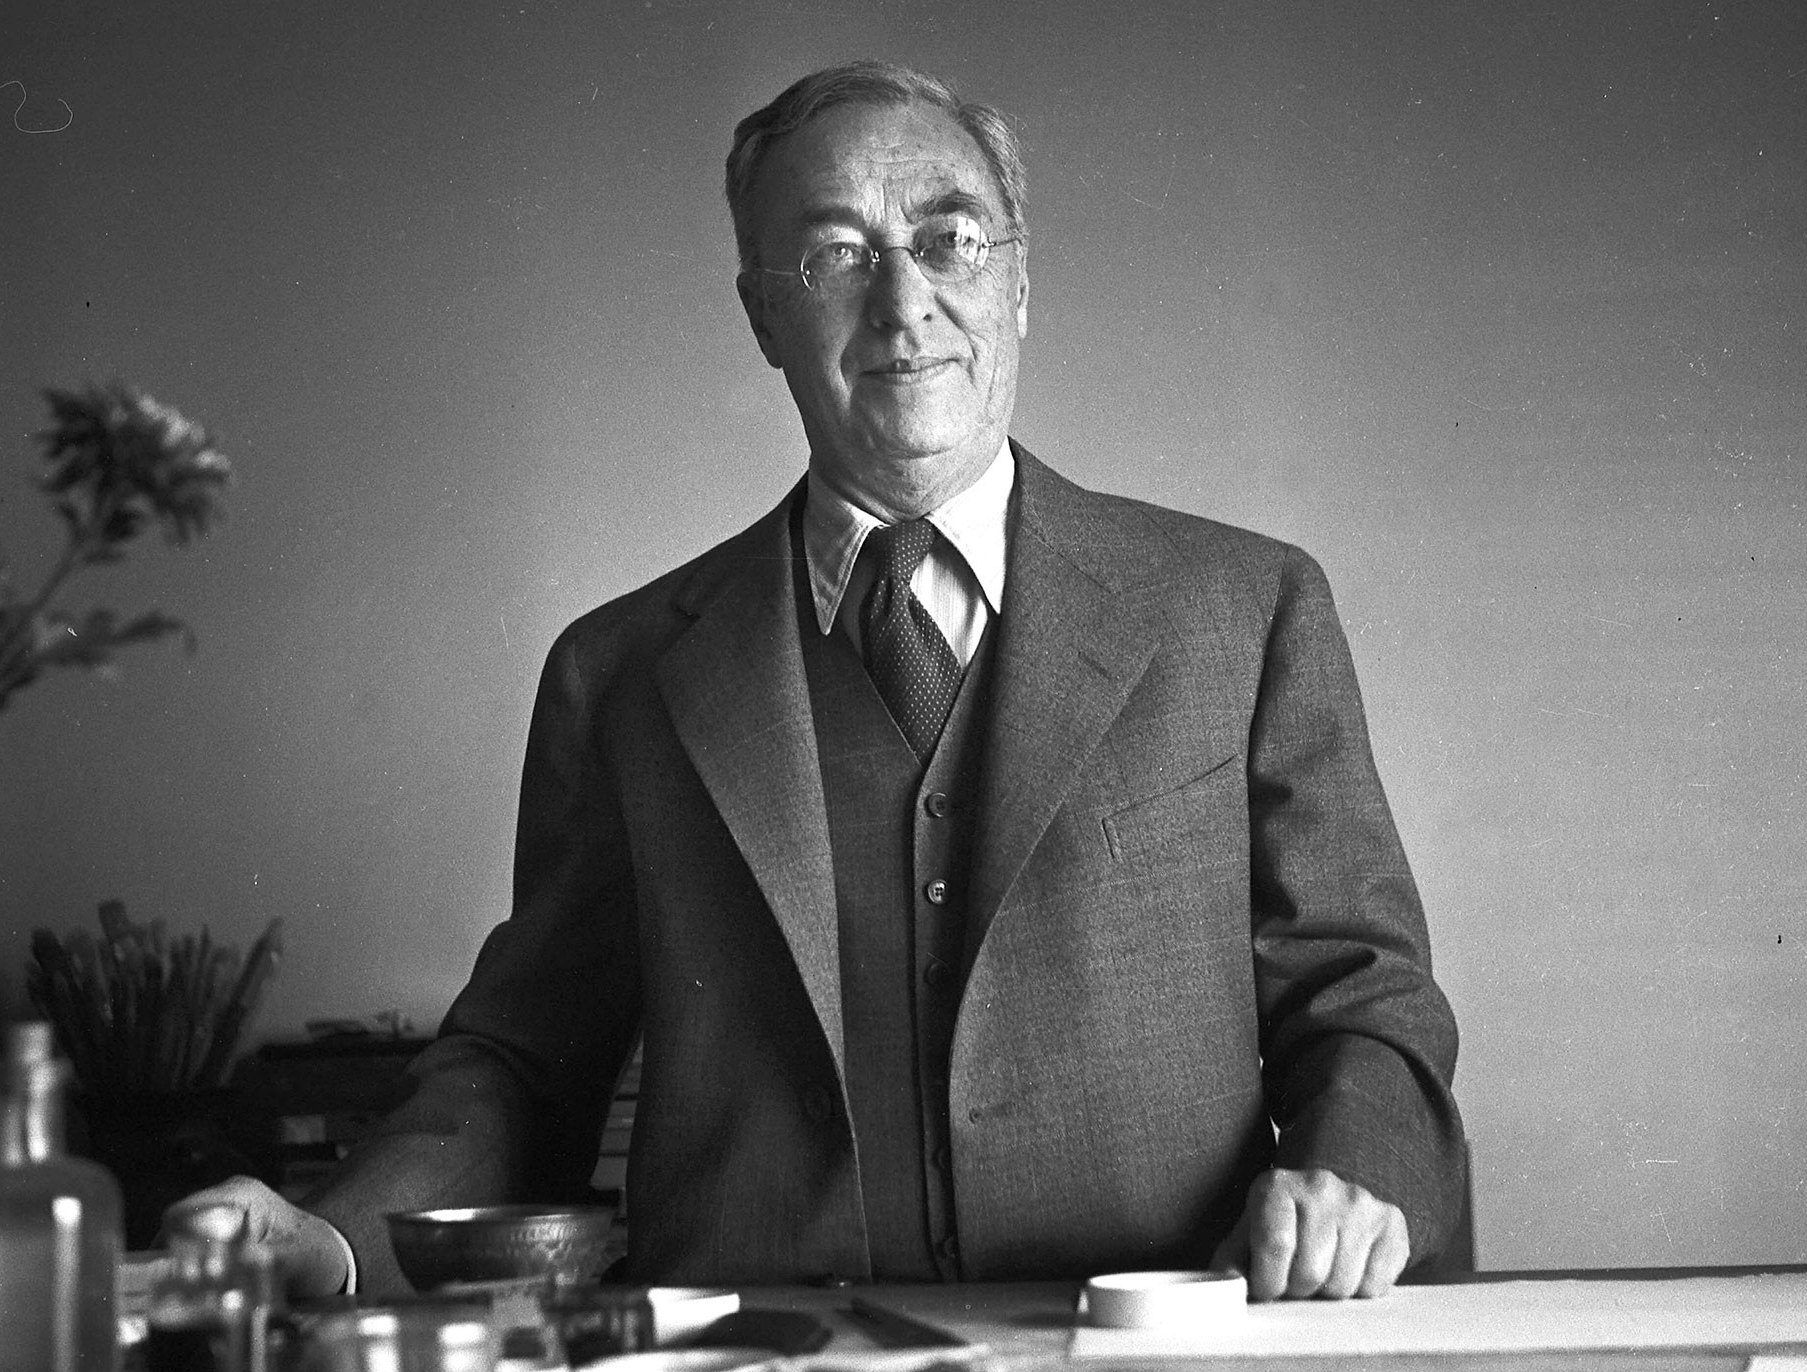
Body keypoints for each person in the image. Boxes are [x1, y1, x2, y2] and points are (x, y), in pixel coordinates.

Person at [168, 60, 1465, 1303]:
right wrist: (333, 1236)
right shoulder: (619, 674)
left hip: (1155, 1353)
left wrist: (1350, 1177)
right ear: (762, 316)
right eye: (836, 255)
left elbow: (1361, 998)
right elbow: (526, 1058)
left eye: (951, 240)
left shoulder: (1243, 609)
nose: (904, 302)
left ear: (1019, 284)